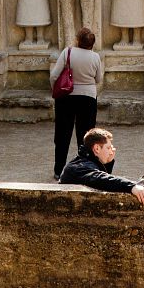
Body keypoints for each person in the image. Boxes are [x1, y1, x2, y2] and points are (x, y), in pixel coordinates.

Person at [50, 27, 103, 179]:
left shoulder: (68, 52)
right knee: (86, 136)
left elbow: (54, 76)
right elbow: (98, 79)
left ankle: (59, 170)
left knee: (62, 135)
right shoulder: (95, 57)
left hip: (66, 96)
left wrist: (56, 91)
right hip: (88, 98)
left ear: (78, 40)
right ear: (92, 43)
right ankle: (85, 168)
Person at [60, 128, 144, 204]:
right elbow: (101, 178)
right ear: (97, 148)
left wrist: (107, 163)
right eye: (108, 148)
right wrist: (132, 186)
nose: (111, 151)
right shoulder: (79, 167)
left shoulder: (83, 161)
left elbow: (100, 180)